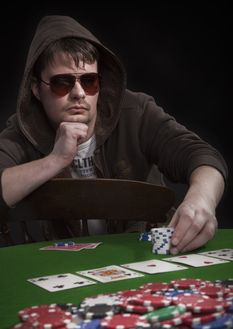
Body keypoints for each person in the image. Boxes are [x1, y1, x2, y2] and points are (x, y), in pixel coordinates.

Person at [0, 15, 227, 253]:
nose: (79, 93)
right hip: (61, 267)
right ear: (37, 89)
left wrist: (202, 200)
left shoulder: (135, 112)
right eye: (62, 82)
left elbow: (201, 155)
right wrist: (54, 160)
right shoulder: (23, 129)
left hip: (139, 257)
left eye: (89, 81)